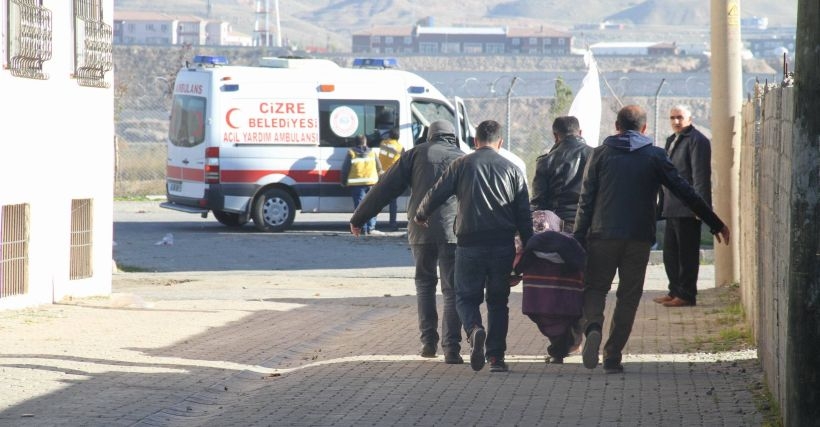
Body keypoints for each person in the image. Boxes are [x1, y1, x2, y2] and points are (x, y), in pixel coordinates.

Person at [573, 105, 730, 374]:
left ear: (616, 127)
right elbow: (685, 190)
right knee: (629, 296)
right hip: (638, 238)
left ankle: (593, 327)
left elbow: (585, 201)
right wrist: (713, 221)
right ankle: (612, 356)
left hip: (602, 236)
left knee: (596, 289)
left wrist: (577, 238)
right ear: (644, 129)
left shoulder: (599, 154)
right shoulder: (655, 156)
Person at [415, 120, 533, 373]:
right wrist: (527, 251)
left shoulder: (462, 164)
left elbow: (437, 192)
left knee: (465, 297)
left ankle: (474, 329)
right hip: (502, 245)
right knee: (498, 302)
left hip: (469, 245)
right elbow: (524, 214)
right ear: (499, 143)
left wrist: (422, 214)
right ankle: (496, 359)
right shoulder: (513, 169)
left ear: (475, 141)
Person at [350, 120, 465, 363]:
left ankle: (428, 343)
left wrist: (360, 217)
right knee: (452, 289)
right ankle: (452, 348)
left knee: (424, 284)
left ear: (430, 135)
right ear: (452, 136)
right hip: (452, 232)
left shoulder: (414, 155)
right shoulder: (461, 156)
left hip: (420, 230)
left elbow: (385, 188)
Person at [654, 105, 713, 307]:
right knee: (670, 253)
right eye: (672, 118)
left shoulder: (698, 141)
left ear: (689, 118)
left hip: (688, 208)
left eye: (679, 117)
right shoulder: (673, 139)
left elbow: (700, 177)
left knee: (686, 254)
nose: (676, 121)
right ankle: (674, 290)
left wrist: (700, 208)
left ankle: (686, 294)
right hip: (671, 207)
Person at [512, 210, 586, 364]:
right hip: (575, 221)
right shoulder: (569, 244)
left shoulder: (532, 245)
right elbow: (579, 263)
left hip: (538, 300)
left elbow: (518, 267)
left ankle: (559, 349)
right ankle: (584, 334)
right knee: (568, 318)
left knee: (549, 319)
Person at [530, 116, 593, 232]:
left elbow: (538, 202)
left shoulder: (546, 161)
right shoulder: (596, 156)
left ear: (555, 136)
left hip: (558, 225)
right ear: (580, 132)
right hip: (590, 224)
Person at [340, 135, 382, 235]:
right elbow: (379, 167)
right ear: (365, 142)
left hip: (357, 185)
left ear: (355, 143)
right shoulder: (372, 152)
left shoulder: (351, 153)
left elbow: (345, 169)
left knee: (359, 208)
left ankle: (363, 229)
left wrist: (343, 182)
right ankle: (371, 228)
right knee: (372, 206)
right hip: (372, 183)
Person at [377, 127, 405, 231]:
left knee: (378, 201)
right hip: (393, 176)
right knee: (393, 202)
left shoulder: (383, 143)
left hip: (382, 175)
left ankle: (371, 224)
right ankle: (392, 224)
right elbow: (403, 162)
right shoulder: (400, 147)